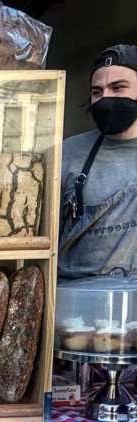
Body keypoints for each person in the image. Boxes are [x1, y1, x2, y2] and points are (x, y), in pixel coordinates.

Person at [59, 44, 137, 279]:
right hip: (78, 300)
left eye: (118, 88)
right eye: (97, 91)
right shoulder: (67, 153)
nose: (105, 98)